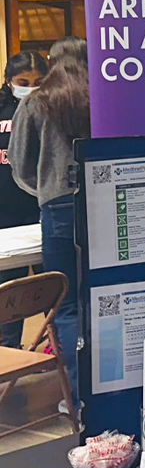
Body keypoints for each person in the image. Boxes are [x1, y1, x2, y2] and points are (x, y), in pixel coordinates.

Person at [9, 36, 91, 413]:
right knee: (106, 300)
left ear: (52, 63)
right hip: (104, 205)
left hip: (57, 208)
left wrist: (44, 190)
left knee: (67, 304)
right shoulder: (102, 98)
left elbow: (20, 164)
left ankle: (75, 396)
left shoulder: (36, 102)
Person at [0, 51, 49, 349]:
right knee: (9, 291)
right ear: (8, 81)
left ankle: (54, 345)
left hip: (41, 207)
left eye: (38, 81)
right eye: (23, 81)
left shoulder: (51, 107)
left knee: (51, 285)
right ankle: (8, 353)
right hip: (5, 211)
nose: (30, 87)